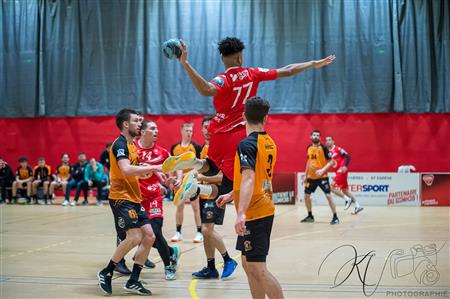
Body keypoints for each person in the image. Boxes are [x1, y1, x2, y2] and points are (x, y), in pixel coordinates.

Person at [162, 36, 335, 228]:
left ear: (222, 58)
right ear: (239, 58)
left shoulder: (223, 78)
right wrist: (312, 63)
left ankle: (193, 163)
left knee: (211, 166)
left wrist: (185, 63)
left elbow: (206, 89)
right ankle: (200, 187)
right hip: (237, 134)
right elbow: (287, 70)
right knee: (231, 184)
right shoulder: (252, 73)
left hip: (216, 131)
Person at [217, 97, 284, 298]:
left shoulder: (247, 144)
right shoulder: (269, 142)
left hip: (255, 213)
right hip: (261, 206)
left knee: (258, 268)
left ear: (244, 116)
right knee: (248, 264)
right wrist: (232, 194)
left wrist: (241, 213)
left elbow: (248, 177)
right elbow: (257, 179)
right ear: (266, 118)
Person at [97, 108, 160, 296]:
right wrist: (154, 166)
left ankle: (133, 281)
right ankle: (106, 271)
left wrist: (153, 171)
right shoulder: (120, 144)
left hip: (134, 197)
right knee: (134, 237)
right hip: (121, 198)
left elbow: (135, 169)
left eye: (140, 120)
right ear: (126, 124)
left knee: (149, 236)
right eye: (136, 121)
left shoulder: (132, 145)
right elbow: (125, 169)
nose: (140, 123)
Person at [189, 115, 238, 279]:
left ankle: (228, 259)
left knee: (206, 229)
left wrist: (201, 178)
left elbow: (221, 177)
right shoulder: (203, 148)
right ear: (202, 129)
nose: (209, 130)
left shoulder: (221, 147)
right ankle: (211, 267)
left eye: (212, 127)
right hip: (205, 192)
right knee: (206, 231)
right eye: (206, 127)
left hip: (218, 192)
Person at [135, 119, 181, 280]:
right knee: (141, 236)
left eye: (157, 129)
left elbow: (175, 168)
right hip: (136, 199)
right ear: (142, 132)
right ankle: (171, 251)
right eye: (153, 128)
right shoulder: (131, 150)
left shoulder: (162, 153)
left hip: (154, 197)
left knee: (155, 231)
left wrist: (175, 181)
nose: (156, 131)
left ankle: (169, 265)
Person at [169, 123, 203, 243]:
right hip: (179, 182)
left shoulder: (196, 147)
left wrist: (189, 175)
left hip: (192, 180)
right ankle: (178, 232)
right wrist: (172, 179)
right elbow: (173, 165)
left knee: (195, 207)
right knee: (180, 206)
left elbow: (200, 165)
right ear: (182, 131)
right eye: (187, 130)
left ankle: (199, 232)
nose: (189, 132)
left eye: (191, 131)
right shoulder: (175, 147)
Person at [301, 130, 339, 225]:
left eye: (318, 135)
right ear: (311, 137)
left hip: (322, 177)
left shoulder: (323, 148)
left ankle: (335, 217)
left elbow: (332, 162)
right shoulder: (309, 148)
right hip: (311, 177)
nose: (316, 136)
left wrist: (322, 170)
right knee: (306, 196)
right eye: (314, 135)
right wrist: (305, 175)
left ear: (320, 138)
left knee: (328, 195)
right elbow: (308, 162)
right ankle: (310, 216)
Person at [325, 136, 363, 214]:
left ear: (333, 141)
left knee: (330, 187)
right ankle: (357, 206)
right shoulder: (327, 152)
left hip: (341, 170)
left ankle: (347, 199)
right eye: (326, 140)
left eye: (329, 140)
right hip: (337, 172)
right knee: (344, 190)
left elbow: (348, 156)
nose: (328, 141)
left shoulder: (338, 149)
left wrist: (345, 166)